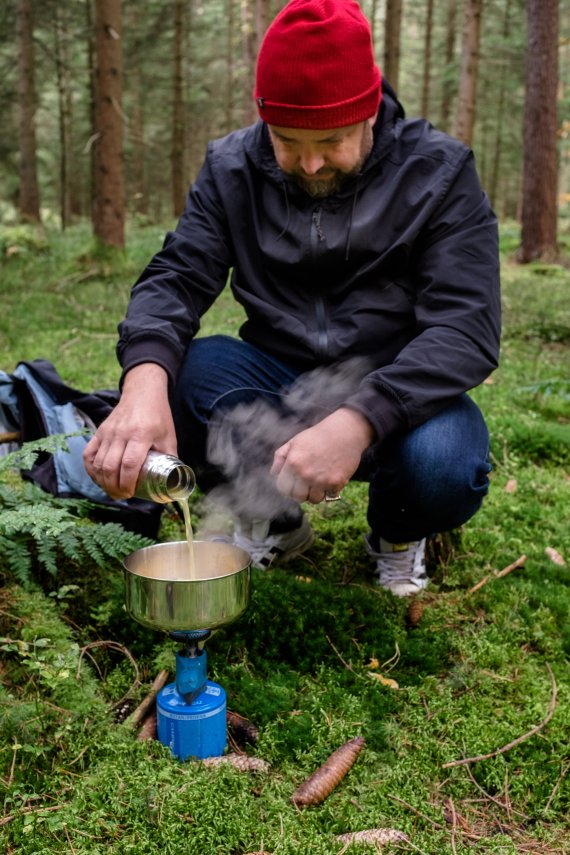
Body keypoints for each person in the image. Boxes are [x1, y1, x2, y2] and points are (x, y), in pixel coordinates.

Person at [83, 0, 501, 597]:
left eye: (331, 140)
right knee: (178, 377)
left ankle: (396, 535)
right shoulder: (231, 167)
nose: (309, 163)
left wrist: (358, 419)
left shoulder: (439, 172)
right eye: (286, 139)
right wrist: (143, 382)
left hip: (398, 387)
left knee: (444, 466)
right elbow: (177, 274)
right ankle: (276, 522)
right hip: (276, 376)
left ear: (369, 113)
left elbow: (466, 329)